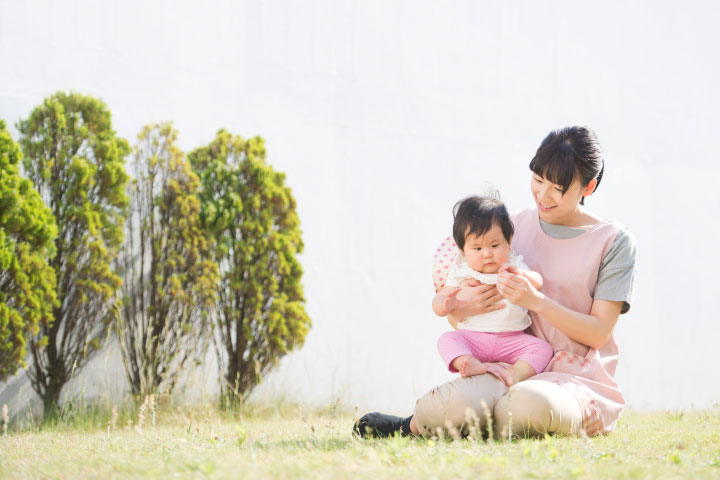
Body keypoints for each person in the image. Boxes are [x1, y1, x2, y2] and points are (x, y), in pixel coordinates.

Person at [354, 125, 637, 439]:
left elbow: (598, 333)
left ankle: (481, 422)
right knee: (447, 405)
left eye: (557, 187)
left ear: (589, 187)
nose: (543, 195)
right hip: (504, 367)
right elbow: (457, 310)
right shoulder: (510, 225)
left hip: (574, 378)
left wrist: (536, 302)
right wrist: (462, 306)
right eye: (538, 180)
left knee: (529, 405)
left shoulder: (614, 242)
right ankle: (416, 425)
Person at [433, 195, 553, 386]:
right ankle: (468, 362)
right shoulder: (462, 270)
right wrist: (445, 304)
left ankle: (516, 373)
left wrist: (521, 275)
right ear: (463, 250)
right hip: (473, 338)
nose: (487, 254)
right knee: (446, 340)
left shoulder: (514, 264)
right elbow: (439, 303)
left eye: (495, 245)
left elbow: (537, 282)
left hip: (512, 338)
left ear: (508, 241)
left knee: (542, 348)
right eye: (477, 248)